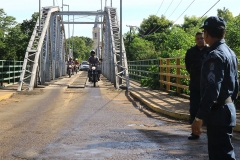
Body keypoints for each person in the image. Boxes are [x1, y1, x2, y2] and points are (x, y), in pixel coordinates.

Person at [192, 16, 238, 159]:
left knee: (221, 155)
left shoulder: (215, 55)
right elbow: (235, 84)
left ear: (207, 33)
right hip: (227, 108)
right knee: (224, 153)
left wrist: (199, 117)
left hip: (218, 113)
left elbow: (212, 89)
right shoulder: (230, 52)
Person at [185, 32, 209, 140]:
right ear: (195, 40)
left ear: (205, 39)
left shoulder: (210, 51)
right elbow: (188, 66)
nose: (200, 40)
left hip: (208, 84)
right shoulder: (190, 52)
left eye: (202, 38)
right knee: (194, 108)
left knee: (209, 106)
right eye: (198, 38)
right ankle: (195, 133)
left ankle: (211, 132)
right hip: (195, 83)